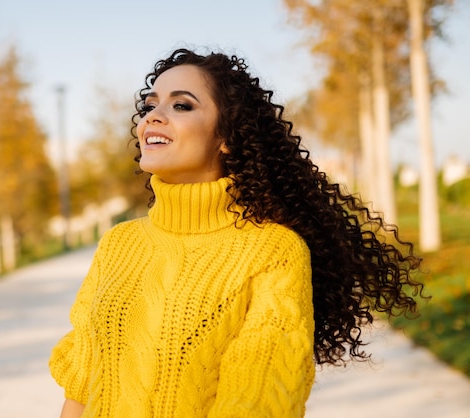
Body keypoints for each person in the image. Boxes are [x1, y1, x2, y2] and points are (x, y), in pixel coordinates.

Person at [49, 48, 423, 417]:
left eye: (181, 106)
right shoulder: (119, 243)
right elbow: (80, 388)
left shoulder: (273, 251)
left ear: (226, 136)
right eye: (150, 105)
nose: (153, 117)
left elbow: (256, 402)